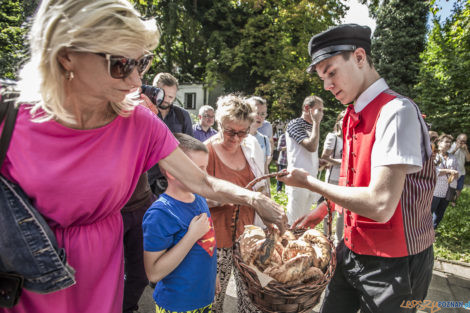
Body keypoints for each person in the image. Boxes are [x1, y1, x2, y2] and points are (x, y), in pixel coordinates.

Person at [0, 1, 286, 312]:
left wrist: (256, 200)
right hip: (25, 281)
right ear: (66, 55)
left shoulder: (138, 122)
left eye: (142, 63)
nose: (137, 81)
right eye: (121, 64)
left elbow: (201, 181)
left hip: (101, 274)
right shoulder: (9, 116)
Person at [279, 24, 436, 313]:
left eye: (331, 71)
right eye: (322, 77)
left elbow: (380, 205)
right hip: (351, 249)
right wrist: (322, 210)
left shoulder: (395, 112)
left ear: (360, 57)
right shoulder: (353, 113)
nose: (326, 85)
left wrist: (310, 183)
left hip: (394, 262)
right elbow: (353, 182)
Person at [205, 94, 270, 313]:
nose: (235, 138)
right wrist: (236, 195)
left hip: (248, 239)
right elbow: (196, 199)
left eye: (242, 132)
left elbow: (262, 185)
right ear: (218, 123)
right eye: (230, 131)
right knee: (213, 301)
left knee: (253, 302)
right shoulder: (205, 151)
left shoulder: (251, 147)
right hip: (215, 241)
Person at [142, 133, 219, 313]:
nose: (205, 175)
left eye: (205, 168)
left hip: (203, 298)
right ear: (172, 172)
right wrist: (191, 236)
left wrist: (213, 277)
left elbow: (207, 244)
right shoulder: (160, 214)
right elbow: (153, 273)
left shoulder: (199, 198)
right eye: (199, 169)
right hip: (176, 305)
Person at [147, 72, 193, 195]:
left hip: (174, 179)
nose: (166, 100)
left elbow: (190, 148)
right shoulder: (143, 113)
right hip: (146, 178)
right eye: (163, 95)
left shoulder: (182, 116)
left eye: (171, 97)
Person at [285, 95, 324, 224]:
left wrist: (319, 162)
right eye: (319, 109)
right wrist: (317, 123)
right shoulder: (295, 124)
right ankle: (289, 242)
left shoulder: (312, 127)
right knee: (294, 219)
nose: (321, 113)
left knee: (303, 220)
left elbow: (308, 153)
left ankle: (300, 243)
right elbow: (311, 146)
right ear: (307, 108)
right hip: (297, 178)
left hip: (310, 179)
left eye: (322, 110)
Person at [320, 110, 345, 243]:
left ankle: (339, 240)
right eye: (343, 119)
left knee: (343, 212)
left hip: (346, 179)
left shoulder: (351, 137)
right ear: (338, 122)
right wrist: (342, 162)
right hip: (333, 178)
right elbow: (324, 157)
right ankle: (325, 237)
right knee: (330, 210)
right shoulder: (333, 137)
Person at [431, 134, 458, 229]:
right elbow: (433, 171)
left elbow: (456, 171)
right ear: (439, 143)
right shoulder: (434, 155)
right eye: (446, 141)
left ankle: (432, 231)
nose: (448, 144)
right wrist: (449, 171)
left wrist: (455, 175)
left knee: (439, 214)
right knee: (428, 212)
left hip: (448, 189)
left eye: (450, 142)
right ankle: (421, 233)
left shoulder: (453, 157)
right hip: (435, 190)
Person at [248, 96, 274, 168]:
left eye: (263, 114)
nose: (259, 117)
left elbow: (265, 171)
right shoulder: (238, 137)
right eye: (256, 113)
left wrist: (269, 157)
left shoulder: (264, 139)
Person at [449, 133, 469, 205]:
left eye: (465, 141)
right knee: (450, 188)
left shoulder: (464, 148)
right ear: (457, 139)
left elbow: (468, 159)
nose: (463, 143)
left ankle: (454, 202)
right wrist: (456, 148)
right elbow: (448, 156)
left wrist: (466, 150)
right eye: (462, 141)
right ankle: (446, 201)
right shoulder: (451, 145)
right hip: (453, 171)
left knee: (459, 188)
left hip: (462, 171)